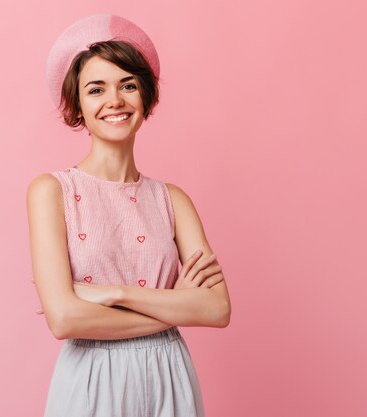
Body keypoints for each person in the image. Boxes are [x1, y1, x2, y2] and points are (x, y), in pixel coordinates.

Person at [27, 13, 231, 417]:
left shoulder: (172, 200)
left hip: (168, 376)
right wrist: (174, 304)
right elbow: (65, 319)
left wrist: (113, 294)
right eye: (96, 89)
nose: (114, 101)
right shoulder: (52, 192)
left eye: (128, 85)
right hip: (91, 379)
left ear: (146, 96)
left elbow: (217, 309)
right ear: (77, 105)